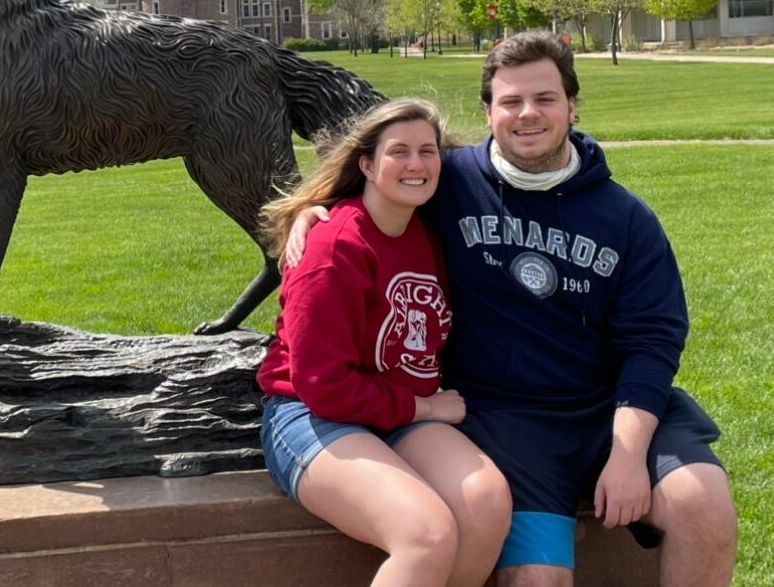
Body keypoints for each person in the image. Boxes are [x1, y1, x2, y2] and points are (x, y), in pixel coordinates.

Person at [289, 32, 736, 587]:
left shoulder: (627, 219)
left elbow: (652, 343)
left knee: (705, 506)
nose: (528, 114)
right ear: (488, 111)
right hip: (509, 424)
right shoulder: (450, 182)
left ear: (573, 106)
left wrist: (627, 454)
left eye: (546, 99)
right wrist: (315, 213)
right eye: (511, 101)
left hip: (612, 412)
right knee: (537, 580)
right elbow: (379, 191)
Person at [260, 98, 511, 587]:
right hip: (311, 413)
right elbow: (322, 385)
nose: (416, 164)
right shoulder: (334, 248)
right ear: (368, 166)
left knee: (486, 501)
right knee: (425, 533)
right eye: (399, 152)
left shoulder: (431, 229)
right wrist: (423, 409)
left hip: (397, 410)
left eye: (427, 151)